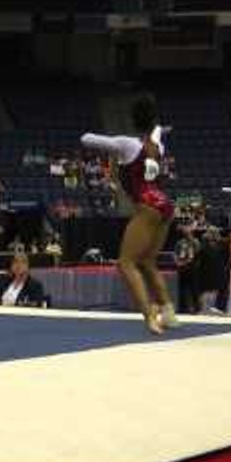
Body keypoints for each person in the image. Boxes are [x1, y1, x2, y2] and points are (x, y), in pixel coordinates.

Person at [81, 95, 177, 333]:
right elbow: (157, 134)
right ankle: (169, 311)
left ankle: (150, 317)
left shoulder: (126, 144)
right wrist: (159, 129)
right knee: (147, 261)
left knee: (126, 264)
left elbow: (86, 139)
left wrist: (111, 146)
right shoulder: (158, 147)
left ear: (132, 121)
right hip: (165, 204)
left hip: (147, 206)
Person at [174, 224, 201, 313]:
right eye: (185, 231)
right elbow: (175, 254)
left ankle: (196, 308)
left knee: (194, 289)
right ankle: (183, 308)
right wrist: (178, 262)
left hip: (193, 268)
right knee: (182, 289)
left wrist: (190, 261)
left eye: (188, 231)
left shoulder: (196, 242)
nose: (187, 233)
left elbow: (198, 254)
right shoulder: (179, 243)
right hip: (182, 268)